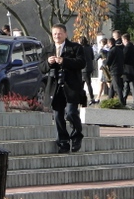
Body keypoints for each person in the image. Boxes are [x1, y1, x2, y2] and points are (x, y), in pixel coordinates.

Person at [40, 23, 86, 153]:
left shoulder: (75, 47)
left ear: (65, 34)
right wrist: (48, 63)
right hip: (55, 87)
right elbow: (41, 68)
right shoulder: (47, 49)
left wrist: (64, 61)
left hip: (71, 86)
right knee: (58, 116)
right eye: (54, 34)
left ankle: (77, 135)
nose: (57, 36)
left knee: (71, 112)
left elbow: (82, 63)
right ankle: (63, 141)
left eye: (59, 33)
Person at [121, 33, 134, 108]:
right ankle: (123, 101)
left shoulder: (127, 48)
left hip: (128, 70)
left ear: (125, 39)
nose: (122, 42)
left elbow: (124, 58)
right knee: (126, 86)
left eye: (123, 40)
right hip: (133, 69)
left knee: (132, 87)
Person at [106, 37, 125, 105]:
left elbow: (108, 62)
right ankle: (109, 100)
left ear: (110, 43)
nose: (107, 45)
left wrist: (104, 61)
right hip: (120, 69)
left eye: (108, 43)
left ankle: (122, 102)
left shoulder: (111, 51)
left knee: (117, 87)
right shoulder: (119, 50)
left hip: (114, 70)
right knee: (112, 86)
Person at [79, 36, 97, 105]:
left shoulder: (81, 48)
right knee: (87, 83)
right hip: (89, 67)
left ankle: (89, 98)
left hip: (84, 68)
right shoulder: (89, 47)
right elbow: (92, 57)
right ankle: (89, 97)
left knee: (85, 84)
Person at [95, 38, 110, 102]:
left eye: (100, 43)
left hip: (104, 68)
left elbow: (96, 58)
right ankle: (98, 97)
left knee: (107, 83)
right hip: (108, 68)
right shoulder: (109, 49)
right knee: (104, 83)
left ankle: (113, 96)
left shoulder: (102, 50)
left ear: (102, 43)